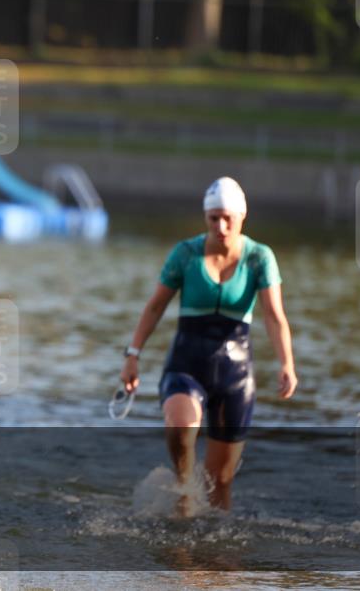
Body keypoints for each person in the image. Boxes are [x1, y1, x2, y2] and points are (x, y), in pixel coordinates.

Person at [120, 177, 297, 514]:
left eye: (228, 218)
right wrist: (133, 355)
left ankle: (214, 542)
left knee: (221, 482)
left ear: (242, 216)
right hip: (186, 366)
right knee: (181, 426)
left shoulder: (259, 257)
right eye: (213, 218)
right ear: (205, 217)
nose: (221, 226)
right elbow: (155, 306)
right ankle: (185, 490)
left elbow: (275, 316)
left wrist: (286, 363)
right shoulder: (186, 254)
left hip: (236, 377)